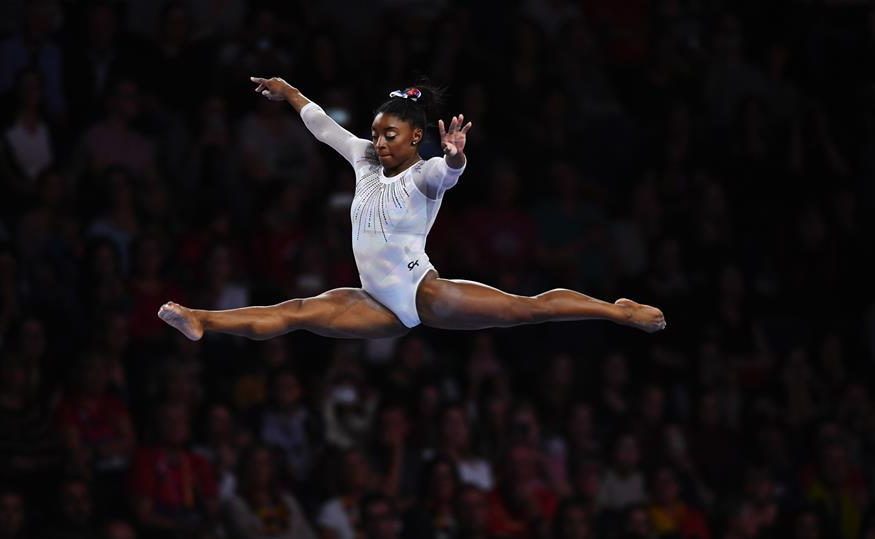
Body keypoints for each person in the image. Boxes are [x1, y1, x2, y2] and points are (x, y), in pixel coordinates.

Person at [158, 77, 666, 343]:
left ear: (416, 138)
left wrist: (456, 156)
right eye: (376, 132)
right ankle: (201, 319)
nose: (377, 142)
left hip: (422, 292)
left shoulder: (424, 175)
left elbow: (449, 173)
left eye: (389, 135)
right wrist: (287, 90)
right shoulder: (363, 159)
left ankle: (615, 310)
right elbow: (322, 126)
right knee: (293, 314)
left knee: (523, 310)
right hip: (376, 302)